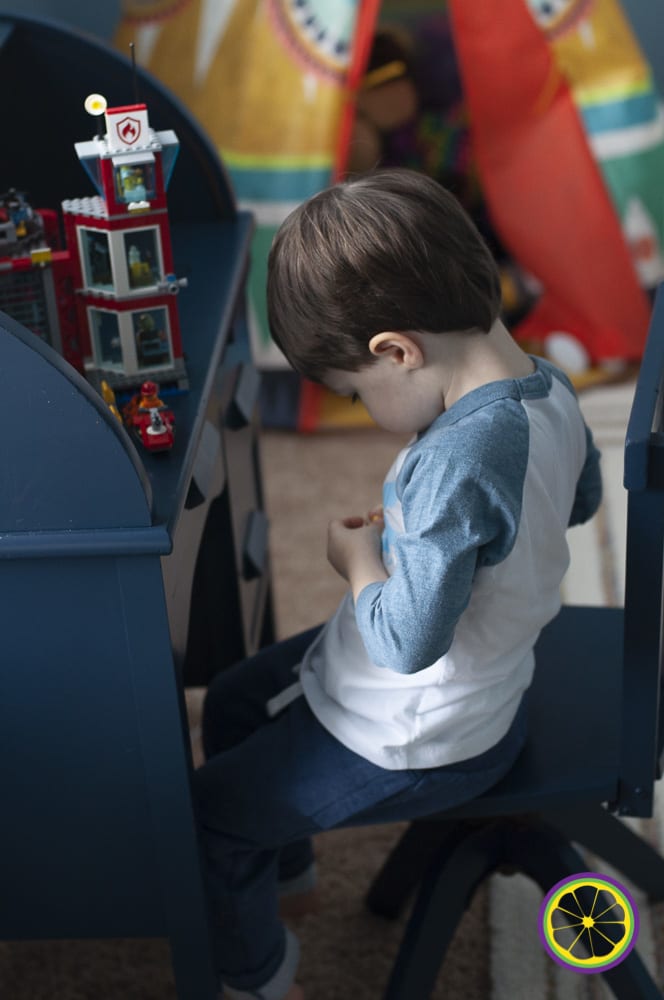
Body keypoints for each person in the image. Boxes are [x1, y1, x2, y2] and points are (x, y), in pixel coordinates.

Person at [194, 167, 602, 1000]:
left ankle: (255, 981)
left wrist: (361, 565)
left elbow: (408, 642)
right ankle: (290, 880)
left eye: (353, 390)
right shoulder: (549, 385)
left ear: (396, 351)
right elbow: (580, 499)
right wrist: (447, 551)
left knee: (210, 818)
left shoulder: (456, 461)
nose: (357, 404)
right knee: (236, 698)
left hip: (423, 730)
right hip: (479, 682)